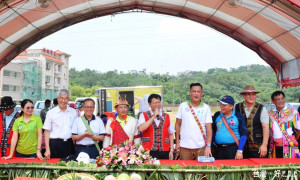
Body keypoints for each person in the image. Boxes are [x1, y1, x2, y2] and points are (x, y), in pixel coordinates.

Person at [175, 83, 213, 160]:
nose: (196, 94)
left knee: (200, 171)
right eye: (194, 91)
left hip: (201, 147)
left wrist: (208, 146)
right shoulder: (183, 106)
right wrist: (177, 143)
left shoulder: (206, 108)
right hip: (184, 147)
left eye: (198, 92)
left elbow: (209, 128)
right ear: (190, 93)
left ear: (202, 93)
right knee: (185, 170)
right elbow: (177, 125)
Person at [235, 85, 269, 158]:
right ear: (244, 96)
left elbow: (265, 127)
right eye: (248, 95)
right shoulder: (237, 107)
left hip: (258, 147)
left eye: (253, 94)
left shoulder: (262, 108)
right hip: (241, 147)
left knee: (259, 168)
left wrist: (264, 145)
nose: (251, 97)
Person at [138, 94, 175, 160]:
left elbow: (171, 134)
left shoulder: (166, 116)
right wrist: (153, 117)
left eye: (159, 102)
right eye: (155, 103)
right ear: (149, 104)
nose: (157, 104)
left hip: (164, 150)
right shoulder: (143, 115)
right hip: (148, 150)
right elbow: (141, 128)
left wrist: (171, 150)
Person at [43, 89, 77, 159]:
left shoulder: (74, 112)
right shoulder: (51, 113)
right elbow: (47, 132)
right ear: (58, 99)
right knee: (54, 167)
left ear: (69, 99)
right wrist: (47, 149)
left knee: (69, 167)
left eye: (66, 98)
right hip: (54, 144)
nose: (63, 101)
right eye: (61, 98)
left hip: (69, 144)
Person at [213, 95, 248, 160]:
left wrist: (240, 150)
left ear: (231, 106)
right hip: (218, 149)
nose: (221, 106)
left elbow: (244, 134)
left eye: (224, 105)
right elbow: (213, 131)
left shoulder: (238, 116)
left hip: (232, 149)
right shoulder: (217, 115)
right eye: (221, 104)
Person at [268, 91, 300, 158]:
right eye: (277, 99)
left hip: (289, 145)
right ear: (273, 101)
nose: (280, 101)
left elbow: (299, 129)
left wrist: (293, 140)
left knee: (289, 166)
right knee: (276, 166)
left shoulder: (293, 112)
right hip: (274, 146)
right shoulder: (269, 113)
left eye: (282, 98)